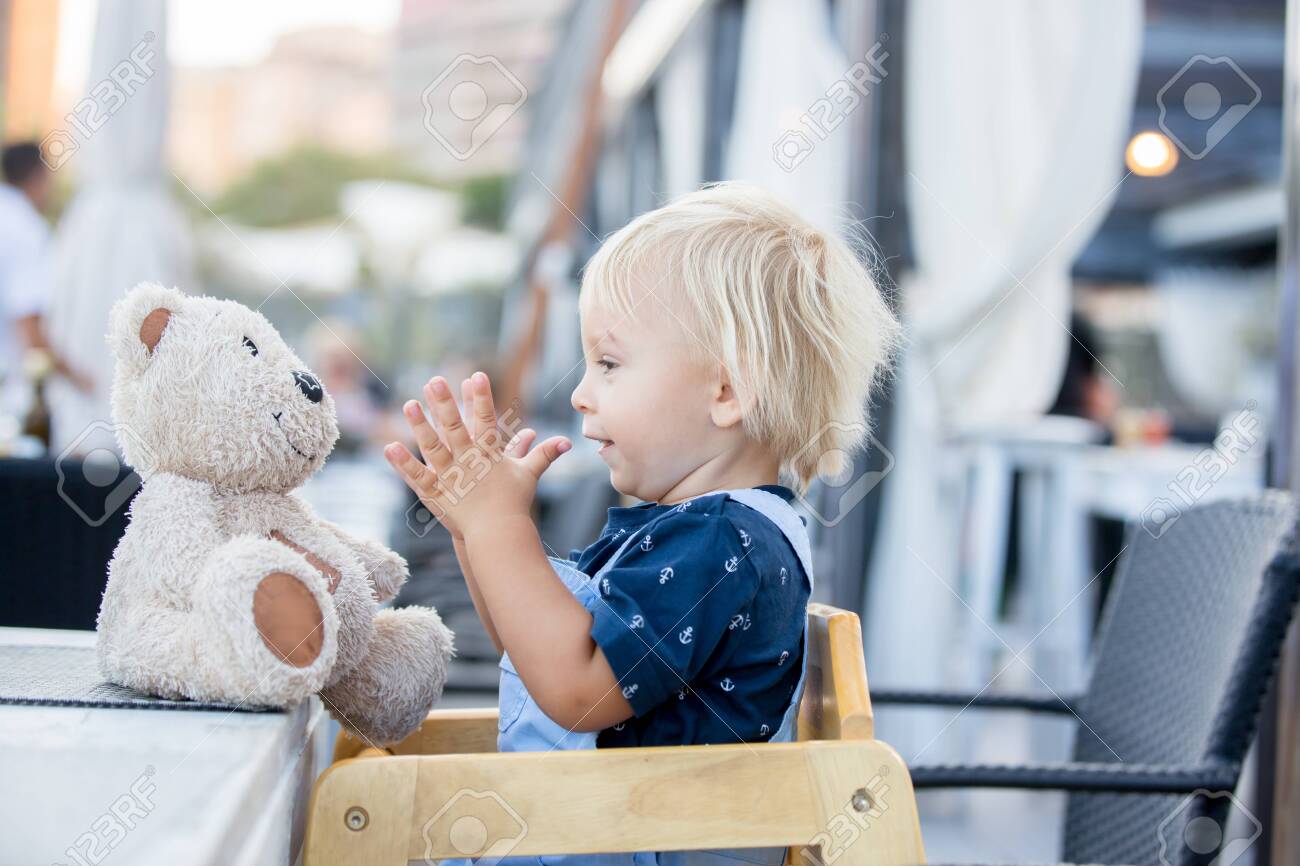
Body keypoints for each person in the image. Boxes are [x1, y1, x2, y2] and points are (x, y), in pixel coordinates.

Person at [384, 183, 900, 866]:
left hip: (626, 846)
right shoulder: (703, 532)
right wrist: (474, 532)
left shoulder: (718, 544)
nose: (580, 393)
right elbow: (532, 647)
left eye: (609, 363)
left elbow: (575, 693)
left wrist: (501, 527)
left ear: (726, 391)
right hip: (595, 833)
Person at [0, 141, 91, 429]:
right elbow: (32, 333)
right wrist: (81, 380)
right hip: (9, 394)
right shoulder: (26, 229)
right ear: (39, 175)